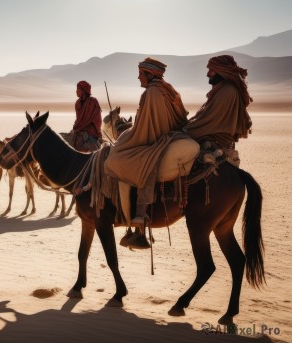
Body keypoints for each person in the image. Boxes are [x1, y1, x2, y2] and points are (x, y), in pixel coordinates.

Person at [104, 58, 188, 248]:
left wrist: (128, 137)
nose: (138, 77)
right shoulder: (168, 90)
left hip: (154, 141)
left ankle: (136, 217)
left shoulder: (151, 93)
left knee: (117, 158)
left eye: (141, 73)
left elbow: (144, 129)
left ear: (150, 75)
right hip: (166, 136)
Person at [183, 55, 252, 165]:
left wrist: (185, 129)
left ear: (222, 71)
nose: (208, 74)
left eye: (211, 70)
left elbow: (209, 120)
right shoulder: (225, 89)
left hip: (215, 137)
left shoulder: (226, 91)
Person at [72, 80, 102, 151]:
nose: (76, 91)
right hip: (78, 130)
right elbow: (78, 119)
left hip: (90, 132)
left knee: (96, 151)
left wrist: (98, 133)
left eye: (77, 89)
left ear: (83, 91)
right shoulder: (77, 103)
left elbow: (97, 120)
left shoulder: (93, 102)